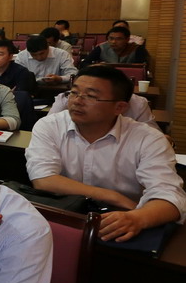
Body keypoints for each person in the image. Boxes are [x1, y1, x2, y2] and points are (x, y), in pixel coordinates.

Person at [26, 65, 186, 242]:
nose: (77, 101)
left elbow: (170, 197)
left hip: (123, 221)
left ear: (119, 107)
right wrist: (113, 196)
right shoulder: (50, 125)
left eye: (91, 96)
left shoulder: (148, 139)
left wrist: (138, 218)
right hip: (67, 217)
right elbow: (43, 179)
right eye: (74, 92)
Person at [81, 26, 149, 67]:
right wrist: (95, 66)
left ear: (127, 39)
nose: (113, 42)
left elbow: (141, 68)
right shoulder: (102, 47)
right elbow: (84, 63)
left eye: (119, 39)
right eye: (111, 38)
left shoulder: (136, 49)